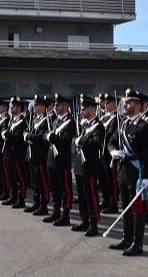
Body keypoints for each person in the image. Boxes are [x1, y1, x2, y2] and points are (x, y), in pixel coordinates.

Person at [107, 89, 148, 256]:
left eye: (128, 102)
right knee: (125, 207)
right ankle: (126, 238)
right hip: (122, 171)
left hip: (137, 172)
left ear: (138, 105)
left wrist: (147, 177)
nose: (125, 105)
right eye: (124, 102)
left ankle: (137, 243)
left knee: (138, 210)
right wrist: (113, 151)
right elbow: (111, 141)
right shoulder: (123, 123)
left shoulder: (144, 126)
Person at [73, 94, 105, 236]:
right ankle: (84, 220)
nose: (82, 110)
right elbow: (75, 138)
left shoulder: (98, 126)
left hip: (90, 165)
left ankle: (94, 223)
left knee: (91, 195)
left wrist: (82, 141)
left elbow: (96, 143)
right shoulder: (83, 124)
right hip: (80, 163)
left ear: (92, 109)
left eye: (84, 108)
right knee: (81, 194)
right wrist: (77, 140)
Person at [44, 94, 77, 226]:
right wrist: (47, 136)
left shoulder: (70, 122)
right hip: (51, 158)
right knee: (54, 188)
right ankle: (56, 211)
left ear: (66, 106)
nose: (56, 107)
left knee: (65, 189)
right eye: (56, 105)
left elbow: (66, 141)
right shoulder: (55, 121)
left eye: (59, 105)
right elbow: (47, 135)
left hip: (62, 159)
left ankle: (66, 215)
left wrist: (53, 138)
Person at [26, 94, 51, 215]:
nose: (34, 107)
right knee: (34, 181)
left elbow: (42, 136)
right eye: (34, 105)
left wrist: (29, 136)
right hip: (32, 154)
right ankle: (36, 202)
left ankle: (44, 204)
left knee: (42, 182)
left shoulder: (46, 120)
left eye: (37, 105)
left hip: (41, 154)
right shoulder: (35, 119)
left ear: (43, 107)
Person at [2, 97, 28, 209]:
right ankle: (13, 196)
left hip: (17, 153)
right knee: (12, 177)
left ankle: (21, 199)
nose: (11, 108)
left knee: (20, 178)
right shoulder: (12, 120)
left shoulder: (23, 121)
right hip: (9, 153)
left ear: (18, 108)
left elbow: (17, 137)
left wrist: (6, 135)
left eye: (13, 106)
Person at [99, 93, 120, 214]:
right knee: (104, 179)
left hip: (109, 153)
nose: (105, 105)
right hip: (101, 153)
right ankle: (106, 200)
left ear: (114, 104)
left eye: (108, 103)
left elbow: (111, 134)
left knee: (111, 180)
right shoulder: (104, 118)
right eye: (105, 103)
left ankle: (114, 203)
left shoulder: (116, 118)